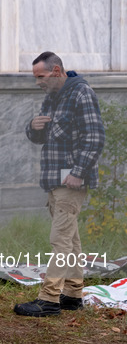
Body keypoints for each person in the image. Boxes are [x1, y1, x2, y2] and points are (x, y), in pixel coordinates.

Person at [14, 52, 105, 317]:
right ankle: (73, 294)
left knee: (60, 239)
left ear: (56, 71)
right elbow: (41, 138)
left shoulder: (81, 94)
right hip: (55, 179)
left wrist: (78, 172)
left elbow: (95, 136)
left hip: (71, 180)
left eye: (40, 76)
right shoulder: (52, 97)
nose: (37, 82)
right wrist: (33, 127)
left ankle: (49, 299)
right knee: (71, 238)